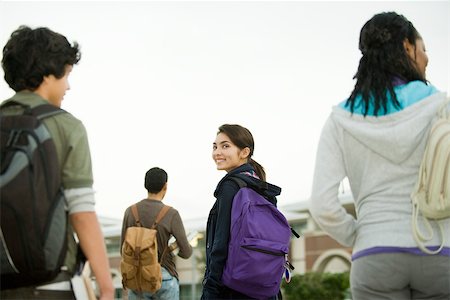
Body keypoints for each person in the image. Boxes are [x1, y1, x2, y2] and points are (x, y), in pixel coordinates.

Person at [309, 12, 450, 300]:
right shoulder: (441, 107)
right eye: (423, 49)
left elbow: (322, 204)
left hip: (374, 254)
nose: (426, 58)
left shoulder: (340, 119)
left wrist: (362, 235)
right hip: (440, 251)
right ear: (407, 47)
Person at [0, 26, 114, 299]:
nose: (68, 86)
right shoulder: (66, 126)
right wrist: (107, 287)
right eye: (67, 75)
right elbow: (82, 213)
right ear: (49, 73)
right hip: (52, 284)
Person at [201, 124, 281, 300]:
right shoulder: (261, 185)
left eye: (225, 146)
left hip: (232, 288)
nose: (217, 152)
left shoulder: (230, 187)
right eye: (215, 146)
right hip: (262, 286)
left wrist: (211, 289)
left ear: (244, 152)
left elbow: (220, 245)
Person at [120, 167, 193, 300]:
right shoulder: (171, 214)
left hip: (137, 278)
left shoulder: (130, 212)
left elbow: (123, 250)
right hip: (164, 276)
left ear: (145, 185)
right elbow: (186, 252)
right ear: (165, 186)